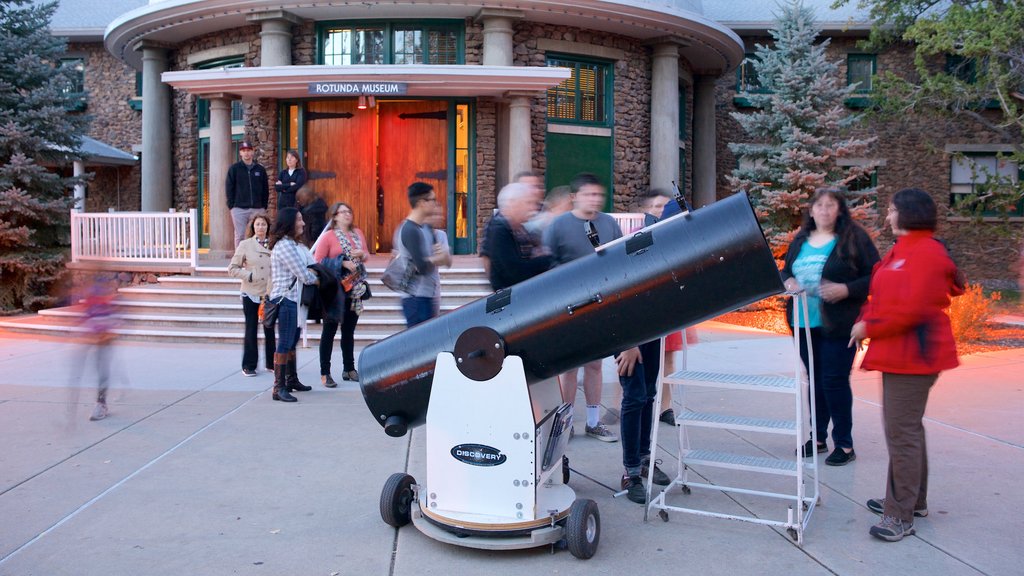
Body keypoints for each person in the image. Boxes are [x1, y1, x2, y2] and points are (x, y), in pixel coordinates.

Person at [850, 188, 963, 542]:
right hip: (900, 353)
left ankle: (899, 516)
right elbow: (882, 293)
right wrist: (868, 317)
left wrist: (870, 326)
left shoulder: (927, 252)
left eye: (892, 209)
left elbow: (912, 308)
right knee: (908, 430)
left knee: (901, 434)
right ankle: (913, 502)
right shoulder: (904, 249)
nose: (887, 215)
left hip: (915, 356)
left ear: (909, 213)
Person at [781, 187, 880, 466]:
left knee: (833, 380)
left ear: (840, 210)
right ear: (811, 211)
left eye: (830, 205)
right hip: (802, 322)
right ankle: (818, 437)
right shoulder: (801, 239)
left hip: (839, 323)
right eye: (819, 205)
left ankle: (845, 445)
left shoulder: (853, 238)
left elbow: (876, 276)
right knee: (814, 380)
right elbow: (786, 270)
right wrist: (788, 281)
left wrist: (846, 290)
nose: (824, 210)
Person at [543, 172, 620, 442]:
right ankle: (565, 423)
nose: (595, 199)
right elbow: (547, 265)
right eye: (589, 194)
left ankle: (593, 421)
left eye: (599, 194)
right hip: (569, 306)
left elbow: (618, 260)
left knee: (595, 365)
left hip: (598, 304)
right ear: (575, 197)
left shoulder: (609, 224)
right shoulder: (558, 226)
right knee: (569, 368)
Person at [314, 202, 369, 387]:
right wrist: (343, 263)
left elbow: (367, 255)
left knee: (349, 331)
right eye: (342, 212)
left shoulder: (358, 233)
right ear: (335, 216)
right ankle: (325, 372)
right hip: (334, 289)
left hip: (354, 287)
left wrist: (362, 254)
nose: (347, 214)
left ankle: (349, 368)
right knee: (329, 331)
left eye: (349, 211)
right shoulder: (328, 236)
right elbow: (318, 260)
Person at [268, 207, 318, 403]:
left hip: (294, 300)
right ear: (289, 222)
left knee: (292, 340)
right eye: (299, 220)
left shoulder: (293, 245)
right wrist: (319, 277)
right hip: (286, 299)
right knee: (285, 342)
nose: (303, 223)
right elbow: (304, 275)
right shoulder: (285, 246)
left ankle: (291, 379)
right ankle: (278, 387)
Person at [393, 182, 448, 328]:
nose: (435, 204)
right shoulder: (410, 229)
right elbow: (421, 266)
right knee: (420, 347)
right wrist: (439, 258)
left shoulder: (421, 228)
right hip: (416, 298)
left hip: (425, 295)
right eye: (432, 200)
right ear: (422, 203)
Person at [228, 211, 275, 377]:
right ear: (253, 227)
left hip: (269, 292)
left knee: (270, 328)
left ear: (268, 227)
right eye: (258, 224)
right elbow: (232, 268)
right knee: (251, 328)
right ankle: (249, 365)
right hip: (251, 291)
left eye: (263, 224)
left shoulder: (274, 245)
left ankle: (272, 362)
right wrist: (248, 275)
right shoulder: (245, 245)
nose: (261, 227)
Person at [486, 182, 552, 291]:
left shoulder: (519, 229)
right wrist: (546, 259)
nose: (533, 207)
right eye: (528, 202)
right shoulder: (499, 230)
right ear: (513, 204)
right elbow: (514, 272)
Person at [480, 171, 545, 275]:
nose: (533, 191)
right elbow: (490, 259)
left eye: (537, 186)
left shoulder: (524, 222)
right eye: (528, 186)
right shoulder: (499, 226)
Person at [226, 141, 269, 248]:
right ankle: (240, 260)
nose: (246, 153)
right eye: (244, 151)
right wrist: (232, 206)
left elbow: (265, 189)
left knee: (258, 234)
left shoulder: (260, 169)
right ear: (240, 153)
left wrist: (263, 206)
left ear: (253, 152)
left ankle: (256, 258)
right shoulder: (234, 169)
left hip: (257, 208)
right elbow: (229, 188)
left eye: (249, 150)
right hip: (239, 209)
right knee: (240, 235)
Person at [427, 204, 452, 316]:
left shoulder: (441, 235)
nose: (441, 217)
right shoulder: (416, 234)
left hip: (434, 286)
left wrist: (443, 256)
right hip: (416, 292)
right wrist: (437, 258)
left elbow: (447, 261)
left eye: (441, 214)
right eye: (436, 214)